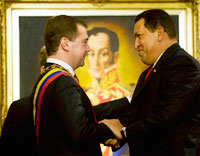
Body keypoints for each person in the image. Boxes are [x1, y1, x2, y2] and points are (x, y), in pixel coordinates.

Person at [100, 9, 200, 156]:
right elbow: (140, 113)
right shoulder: (150, 72)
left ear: (159, 33)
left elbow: (166, 116)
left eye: (139, 36)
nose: (136, 44)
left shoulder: (183, 65)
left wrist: (124, 132)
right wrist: (116, 128)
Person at [32, 15, 130, 155]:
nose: (88, 49)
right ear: (65, 44)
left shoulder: (49, 76)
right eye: (84, 42)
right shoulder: (63, 81)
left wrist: (128, 101)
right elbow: (81, 131)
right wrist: (109, 128)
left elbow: (81, 115)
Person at [86, 27, 134, 106]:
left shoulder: (128, 93)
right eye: (91, 54)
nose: (95, 62)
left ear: (115, 57)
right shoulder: (81, 94)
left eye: (103, 54)